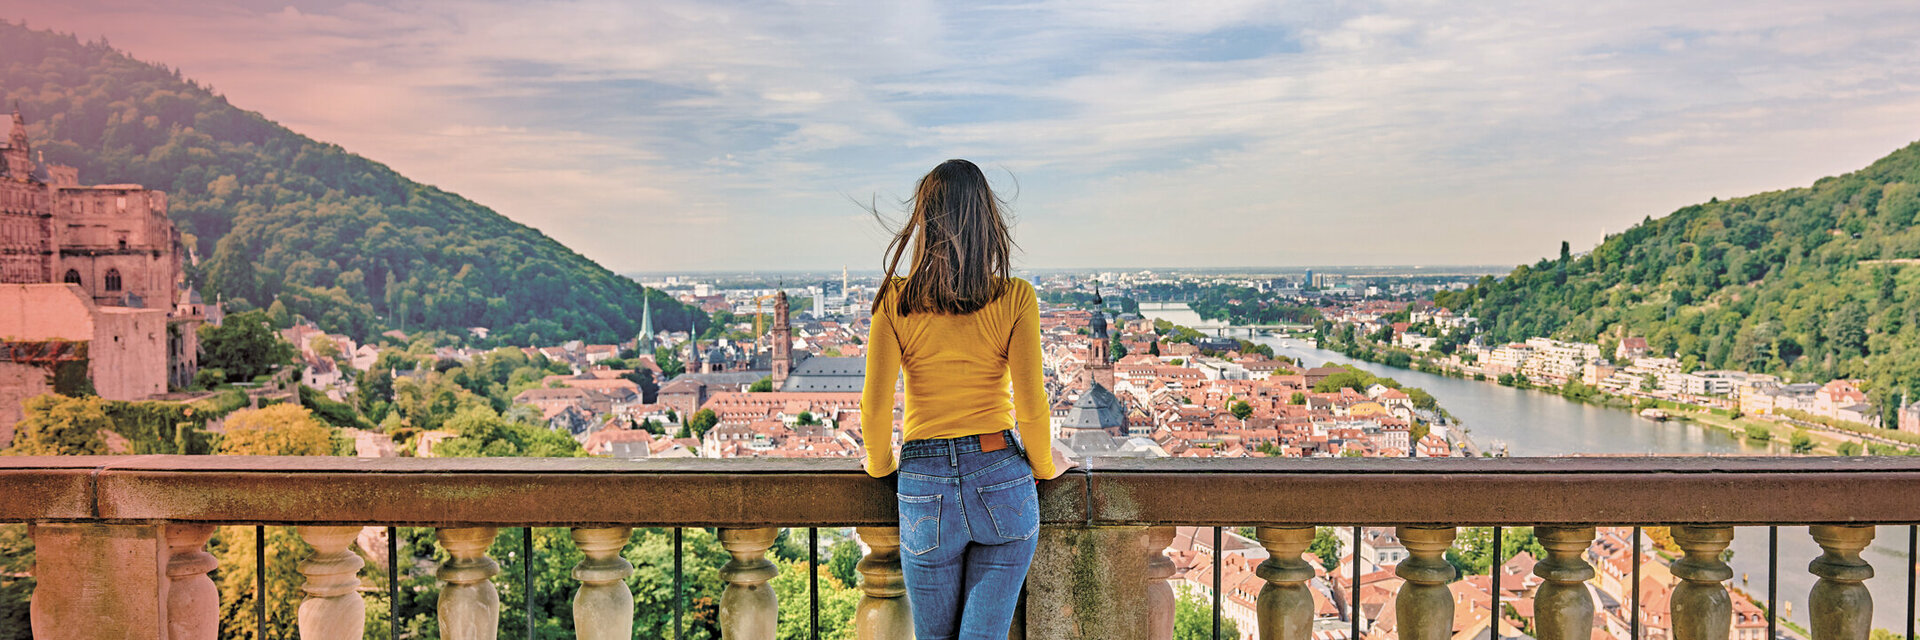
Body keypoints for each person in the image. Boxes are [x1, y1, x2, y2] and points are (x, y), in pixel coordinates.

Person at [860, 158, 1075, 640]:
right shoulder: (1016, 297)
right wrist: (1044, 465)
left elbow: (874, 409)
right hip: (1000, 472)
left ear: (923, 221)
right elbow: (1032, 406)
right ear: (988, 221)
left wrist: (878, 466)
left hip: (922, 479)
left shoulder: (895, 301)